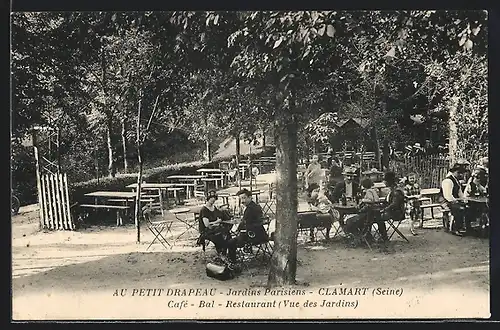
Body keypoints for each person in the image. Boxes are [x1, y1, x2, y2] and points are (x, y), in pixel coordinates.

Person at [226, 189, 268, 266]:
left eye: (244, 198)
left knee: (230, 242)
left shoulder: (249, 209)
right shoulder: (256, 206)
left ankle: (232, 262)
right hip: (262, 235)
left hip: (253, 237)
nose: (242, 201)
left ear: (250, 197)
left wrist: (238, 230)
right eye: (241, 198)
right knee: (237, 235)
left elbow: (245, 224)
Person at [197, 190, 232, 255]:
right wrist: (216, 222)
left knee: (227, 233)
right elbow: (207, 224)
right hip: (206, 231)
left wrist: (216, 222)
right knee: (219, 236)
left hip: (214, 228)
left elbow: (220, 218)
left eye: (214, 199)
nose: (213, 201)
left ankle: (228, 252)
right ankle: (221, 253)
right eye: (211, 199)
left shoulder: (214, 207)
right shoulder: (204, 210)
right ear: (208, 199)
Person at [377, 171, 406, 246]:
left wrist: (384, 209)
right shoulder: (392, 190)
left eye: (385, 181)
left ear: (388, 181)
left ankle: (384, 238)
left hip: (396, 213)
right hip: (392, 211)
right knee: (373, 214)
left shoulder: (396, 191)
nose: (384, 182)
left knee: (376, 217)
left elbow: (394, 205)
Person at [440, 162, 468, 236]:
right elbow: (447, 195)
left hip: (454, 200)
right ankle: (455, 228)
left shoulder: (456, 180)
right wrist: (455, 201)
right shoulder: (448, 181)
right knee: (459, 208)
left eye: (462, 173)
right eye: (459, 172)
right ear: (453, 172)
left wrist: (463, 200)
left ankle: (466, 227)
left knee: (468, 206)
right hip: (445, 201)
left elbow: (460, 193)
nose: (461, 175)